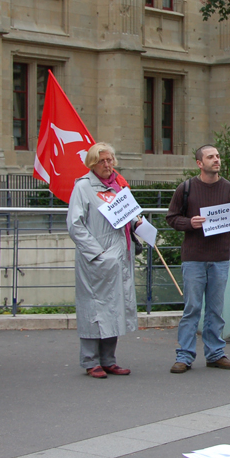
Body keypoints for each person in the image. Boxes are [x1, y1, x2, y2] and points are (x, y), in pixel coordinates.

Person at [165, 144, 230, 373]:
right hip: (194, 257)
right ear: (200, 163)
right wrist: (190, 223)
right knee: (192, 308)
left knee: (216, 309)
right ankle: (185, 355)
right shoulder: (186, 187)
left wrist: (222, 223)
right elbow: (171, 218)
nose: (216, 160)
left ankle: (215, 353)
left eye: (218, 156)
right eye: (211, 157)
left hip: (220, 257)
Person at [66, 143, 138, 378]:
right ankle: (90, 361)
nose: (107, 165)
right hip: (96, 259)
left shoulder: (118, 187)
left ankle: (109, 359)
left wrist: (138, 224)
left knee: (114, 307)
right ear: (92, 164)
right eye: (102, 161)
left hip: (119, 257)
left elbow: (126, 218)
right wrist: (97, 254)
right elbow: (75, 225)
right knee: (93, 308)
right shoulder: (83, 188)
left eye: (110, 160)